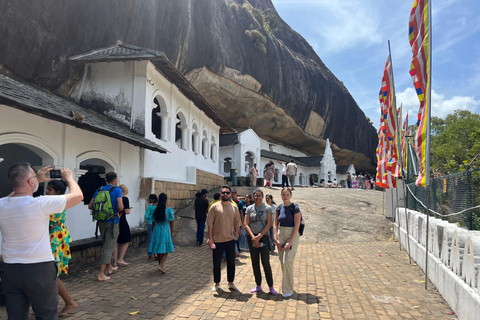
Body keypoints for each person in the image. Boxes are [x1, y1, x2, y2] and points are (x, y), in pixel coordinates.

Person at [0, 163, 83, 319]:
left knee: (15, 315)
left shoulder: (2, 204)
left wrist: (35, 178)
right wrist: (69, 179)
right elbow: (78, 196)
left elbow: (14, 195)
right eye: (33, 177)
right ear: (31, 183)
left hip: (10, 269)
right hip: (38, 268)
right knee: (46, 314)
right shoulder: (40, 204)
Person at [46, 179, 78, 316]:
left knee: (51, 273)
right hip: (57, 237)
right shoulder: (57, 202)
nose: (47, 191)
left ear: (57, 192)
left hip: (55, 239)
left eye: (50, 190)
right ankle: (47, 305)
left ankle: (69, 302)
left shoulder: (55, 204)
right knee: (49, 273)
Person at [88, 171, 124, 281]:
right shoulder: (117, 190)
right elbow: (121, 206)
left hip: (101, 221)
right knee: (109, 247)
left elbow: (90, 206)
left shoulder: (99, 189)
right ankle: (101, 274)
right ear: (115, 180)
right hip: (113, 221)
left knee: (106, 245)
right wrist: (117, 210)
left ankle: (109, 268)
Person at [207, 186, 241, 292]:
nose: (225, 194)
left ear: (230, 194)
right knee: (216, 263)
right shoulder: (214, 207)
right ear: (220, 194)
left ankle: (231, 283)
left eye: (227, 192)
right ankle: (217, 283)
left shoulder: (234, 207)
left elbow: (237, 223)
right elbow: (209, 224)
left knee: (231, 262)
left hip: (230, 240)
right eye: (223, 192)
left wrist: (237, 235)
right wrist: (210, 239)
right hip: (217, 241)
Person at [244, 189, 277, 295]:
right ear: (253, 197)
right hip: (252, 237)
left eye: (259, 195)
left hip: (263, 237)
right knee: (255, 262)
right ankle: (258, 285)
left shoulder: (267, 208)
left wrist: (259, 236)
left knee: (265, 262)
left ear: (262, 197)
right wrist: (253, 237)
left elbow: (269, 224)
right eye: (255, 195)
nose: (257, 197)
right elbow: (246, 224)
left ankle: (271, 286)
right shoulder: (249, 208)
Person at [273, 188, 301, 298]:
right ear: (281, 195)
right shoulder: (278, 208)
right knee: (282, 261)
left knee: (288, 262)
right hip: (281, 234)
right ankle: (287, 285)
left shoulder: (295, 208)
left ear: (291, 195)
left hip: (292, 234)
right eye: (283, 195)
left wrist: (290, 241)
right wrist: (276, 239)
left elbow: (297, 225)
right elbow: (275, 224)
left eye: (287, 194)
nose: (285, 197)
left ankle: (288, 288)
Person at [148, 193, 175, 273]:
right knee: (166, 250)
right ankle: (161, 265)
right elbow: (171, 221)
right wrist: (172, 232)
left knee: (158, 249)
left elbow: (153, 222)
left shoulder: (156, 209)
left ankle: (161, 265)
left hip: (157, 229)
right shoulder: (168, 210)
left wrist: (153, 231)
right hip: (165, 229)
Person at [114, 184, 132, 267]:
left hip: (113, 221)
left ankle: (114, 261)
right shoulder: (124, 199)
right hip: (122, 221)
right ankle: (120, 259)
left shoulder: (113, 198)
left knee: (115, 241)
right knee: (126, 239)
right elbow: (127, 212)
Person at [144, 194, 158, 259]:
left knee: (151, 239)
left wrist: (149, 217)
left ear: (153, 200)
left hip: (150, 223)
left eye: (150, 199)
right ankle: (156, 253)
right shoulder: (159, 207)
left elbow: (146, 215)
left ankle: (150, 253)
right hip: (157, 224)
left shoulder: (150, 207)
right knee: (157, 239)